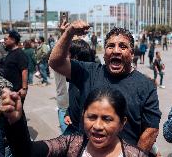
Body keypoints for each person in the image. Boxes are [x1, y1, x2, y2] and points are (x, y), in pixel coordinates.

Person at [49, 21, 161, 152]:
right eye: (111, 46)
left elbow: (151, 129)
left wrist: (134, 155)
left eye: (123, 46)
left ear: (131, 54)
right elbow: (55, 62)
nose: (116, 51)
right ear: (104, 52)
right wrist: (69, 32)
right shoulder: (88, 72)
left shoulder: (145, 85)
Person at [0, 87, 148, 157]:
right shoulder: (71, 144)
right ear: (83, 116)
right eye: (91, 117)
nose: (97, 126)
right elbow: (27, 153)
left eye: (107, 119)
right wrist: (16, 121)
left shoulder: (136, 155)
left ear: (122, 123)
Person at [61, 39, 93, 134]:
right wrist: (68, 113)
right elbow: (74, 100)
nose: (64, 58)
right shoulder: (73, 75)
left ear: (75, 57)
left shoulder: (90, 80)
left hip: (82, 133)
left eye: (67, 55)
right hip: (72, 126)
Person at [2, 31, 28, 103]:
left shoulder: (19, 54)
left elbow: (24, 71)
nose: (4, 41)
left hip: (17, 89)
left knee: (17, 110)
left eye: (6, 39)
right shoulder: (10, 52)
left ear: (13, 40)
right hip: (9, 88)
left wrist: (24, 88)